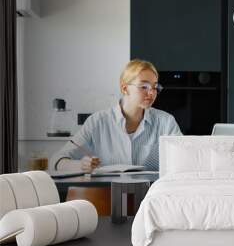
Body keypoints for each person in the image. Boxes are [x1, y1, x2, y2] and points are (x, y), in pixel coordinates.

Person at [50, 59, 182, 172]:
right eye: (144, 86)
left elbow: (185, 160)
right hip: (106, 196)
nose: (152, 93)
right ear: (125, 88)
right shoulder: (97, 122)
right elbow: (56, 161)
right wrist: (80, 165)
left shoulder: (166, 122)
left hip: (150, 197)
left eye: (155, 87)